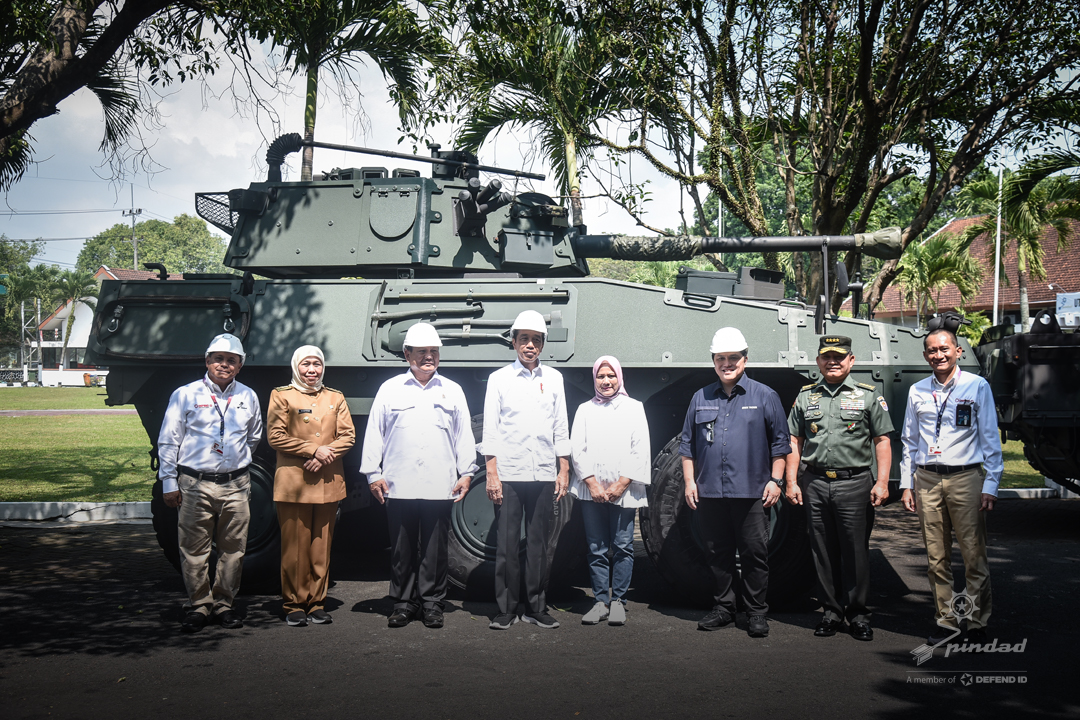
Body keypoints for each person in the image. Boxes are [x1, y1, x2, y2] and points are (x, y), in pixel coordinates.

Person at [361, 323, 475, 629]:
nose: (429, 357)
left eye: (434, 352)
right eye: (422, 351)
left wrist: (467, 472)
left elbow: (463, 435)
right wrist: (373, 473)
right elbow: (375, 431)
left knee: (436, 549)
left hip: (440, 482)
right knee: (402, 548)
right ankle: (403, 602)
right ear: (406, 353)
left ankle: (432, 603)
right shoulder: (390, 389)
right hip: (399, 482)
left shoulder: (452, 390)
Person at [680, 327, 790, 638]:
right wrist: (690, 482)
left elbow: (780, 444)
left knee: (755, 553)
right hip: (711, 492)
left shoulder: (765, 396)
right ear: (713, 361)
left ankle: (755, 612)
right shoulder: (699, 397)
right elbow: (687, 445)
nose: (726, 363)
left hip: (753, 492)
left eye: (732, 358)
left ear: (744, 359)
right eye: (720, 358)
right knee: (717, 554)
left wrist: (776, 480)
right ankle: (723, 609)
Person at [785, 336, 894, 641]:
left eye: (839, 356)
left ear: (851, 360)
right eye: (826, 357)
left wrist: (882, 481)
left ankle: (858, 615)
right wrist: (792, 481)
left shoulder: (868, 396)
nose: (832, 361)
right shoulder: (806, 397)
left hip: (854, 483)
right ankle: (831, 612)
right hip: (815, 482)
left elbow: (882, 440)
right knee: (822, 551)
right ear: (818, 361)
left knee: (856, 552)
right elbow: (794, 441)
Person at [900, 327, 1002, 644]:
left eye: (944, 349)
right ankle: (946, 621)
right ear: (925, 355)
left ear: (957, 351)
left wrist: (992, 484)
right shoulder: (917, 391)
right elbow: (909, 441)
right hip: (927, 479)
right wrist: (907, 484)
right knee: (936, 557)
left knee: (973, 555)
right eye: (932, 350)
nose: (938, 355)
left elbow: (990, 437)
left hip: (966, 478)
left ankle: (975, 623)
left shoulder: (977, 386)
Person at [159, 333, 263, 633]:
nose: (224, 365)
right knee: (194, 550)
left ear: (240, 366)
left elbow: (253, 437)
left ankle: (224, 604)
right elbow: (169, 439)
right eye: (218, 359)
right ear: (207, 361)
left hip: (236, 483)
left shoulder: (247, 396)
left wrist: (233, 461)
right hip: (195, 483)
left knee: (234, 549)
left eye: (232, 360)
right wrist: (169, 481)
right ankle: (199, 605)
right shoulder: (185, 394)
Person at [481, 310, 571, 630]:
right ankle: (506, 608)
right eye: (524, 339)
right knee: (507, 545)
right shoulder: (499, 379)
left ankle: (536, 606)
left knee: (539, 544)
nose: (530, 345)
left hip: (544, 473)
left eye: (536, 339)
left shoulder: (555, 379)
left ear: (543, 344)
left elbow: (561, 426)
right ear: (514, 342)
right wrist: (492, 473)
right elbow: (490, 429)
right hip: (510, 474)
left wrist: (563, 468)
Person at [267, 345, 356, 627]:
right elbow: (275, 436)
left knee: (321, 547)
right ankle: (294, 604)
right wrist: (312, 450)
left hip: (327, 481)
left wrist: (324, 453)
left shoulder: (335, 397)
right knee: (294, 547)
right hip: (295, 483)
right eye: (306, 364)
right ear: (296, 366)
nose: (311, 370)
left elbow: (348, 436)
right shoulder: (282, 396)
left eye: (316, 364)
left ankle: (317, 602)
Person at [570, 355, 651, 626]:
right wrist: (592, 483)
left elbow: (639, 448)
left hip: (622, 490)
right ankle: (600, 602)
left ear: (620, 377)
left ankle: (619, 601)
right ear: (594, 379)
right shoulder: (584, 409)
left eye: (611, 376)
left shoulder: (634, 407)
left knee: (623, 546)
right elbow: (577, 449)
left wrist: (621, 484)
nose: (606, 381)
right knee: (596, 547)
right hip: (592, 491)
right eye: (601, 377)